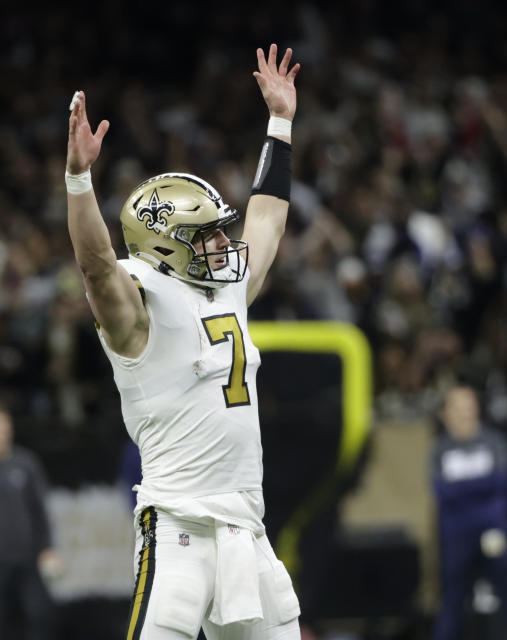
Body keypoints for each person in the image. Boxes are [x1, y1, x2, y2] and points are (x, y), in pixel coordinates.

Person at [65, 44, 302, 639]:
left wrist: (280, 122)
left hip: (247, 530)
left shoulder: (228, 290)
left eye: (222, 231)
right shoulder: (139, 307)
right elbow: (96, 267)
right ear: (167, 244)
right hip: (178, 531)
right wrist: (78, 180)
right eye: (209, 235)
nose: (226, 244)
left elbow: (268, 217)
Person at [431, 385, 507, 640]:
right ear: (445, 413)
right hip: (456, 538)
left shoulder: (494, 442)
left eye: (468, 406)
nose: (464, 413)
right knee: (451, 605)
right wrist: (481, 485)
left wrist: (462, 487)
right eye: (457, 407)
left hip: (494, 532)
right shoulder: (439, 449)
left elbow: (502, 482)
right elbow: (442, 492)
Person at [0, 405, 60, 640]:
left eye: (5, 428)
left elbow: (40, 510)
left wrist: (47, 548)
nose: (3, 434)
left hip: (28, 558)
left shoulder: (26, 463)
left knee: (40, 616)